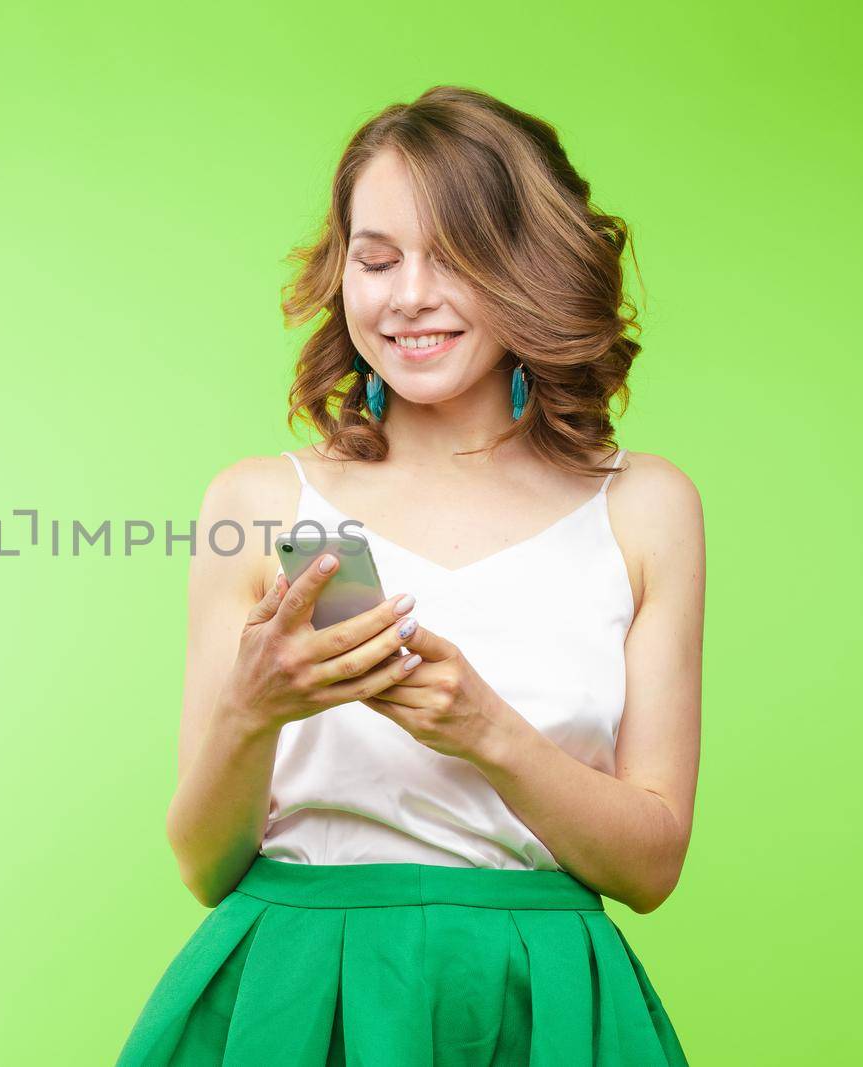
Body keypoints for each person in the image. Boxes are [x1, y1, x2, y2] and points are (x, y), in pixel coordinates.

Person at [115, 85, 703, 1065]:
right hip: (296, 997)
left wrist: (488, 732)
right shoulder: (270, 504)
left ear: (532, 267)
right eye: (376, 258)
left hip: (540, 1002)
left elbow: (650, 866)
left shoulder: (642, 506)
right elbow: (203, 862)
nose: (407, 297)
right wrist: (252, 709)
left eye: (456, 259)